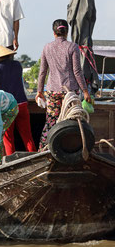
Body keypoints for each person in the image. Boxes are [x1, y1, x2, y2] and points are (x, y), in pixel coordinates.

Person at [36, 19, 92, 150]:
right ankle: (69, 149)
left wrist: (39, 91)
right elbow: (77, 72)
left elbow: (42, 72)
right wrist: (85, 91)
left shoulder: (47, 47)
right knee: (72, 121)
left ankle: (42, 149)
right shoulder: (72, 47)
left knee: (51, 121)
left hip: (52, 91)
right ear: (67, 32)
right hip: (70, 91)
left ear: (54, 32)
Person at [0, 45, 36, 154]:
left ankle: (10, 162)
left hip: (7, 107)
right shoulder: (18, 65)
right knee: (27, 136)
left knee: (8, 138)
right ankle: (34, 157)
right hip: (22, 104)